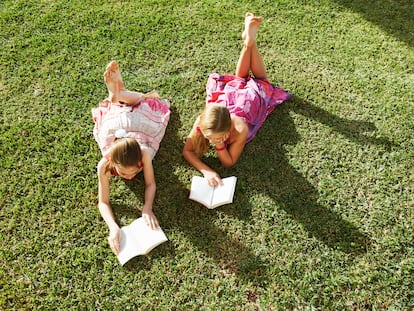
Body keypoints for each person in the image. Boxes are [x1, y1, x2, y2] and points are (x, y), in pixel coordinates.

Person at [183, 12, 291, 187]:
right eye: (210, 138)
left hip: (249, 102)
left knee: (261, 81)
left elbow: (229, 162)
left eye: (218, 138)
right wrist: (207, 171)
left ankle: (249, 43)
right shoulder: (202, 123)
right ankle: (249, 42)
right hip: (229, 99)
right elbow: (187, 151)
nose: (212, 141)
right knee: (238, 80)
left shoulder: (239, 129)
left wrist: (219, 146)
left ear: (228, 129)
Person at [92, 60, 170, 255]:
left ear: (139, 163)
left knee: (140, 107)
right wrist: (113, 227)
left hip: (139, 133)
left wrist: (147, 208)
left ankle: (118, 94)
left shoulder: (144, 153)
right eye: (122, 172)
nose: (128, 176)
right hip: (117, 133)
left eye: (134, 171)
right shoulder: (104, 165)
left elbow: (151, 183)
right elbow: (103, 201)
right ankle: (117, 94)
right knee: (131, 108)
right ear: (113, 163)